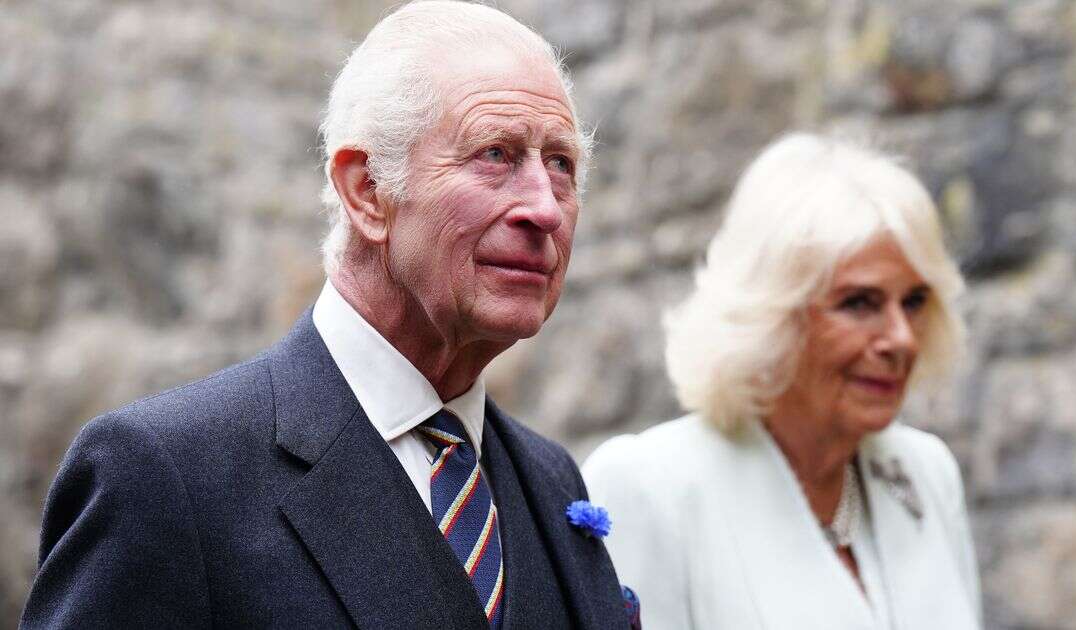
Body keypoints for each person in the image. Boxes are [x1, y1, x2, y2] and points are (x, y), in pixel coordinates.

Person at [21, 3, 636, 628]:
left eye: (561, 164)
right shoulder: (165, 476)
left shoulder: (550, 480)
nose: (545, 208)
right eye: (496, 154)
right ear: (367, 191)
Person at [583, 134, 982, 629]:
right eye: (860, 303)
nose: (901, 338)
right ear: (772, 317)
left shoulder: (924, 472)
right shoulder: (650, 486)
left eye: (915, 302)